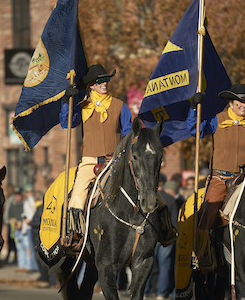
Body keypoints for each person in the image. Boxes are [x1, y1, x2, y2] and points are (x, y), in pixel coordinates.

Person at [60, 64, 174, 246]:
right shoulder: (82, 106)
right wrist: (67, 101)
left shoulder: (120, 106)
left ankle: (166, 227)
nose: (104, 83)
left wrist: (125, 154)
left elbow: (129, 133)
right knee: (77, 196)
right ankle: (76, 234)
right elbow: (67, 123)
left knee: (155, 193)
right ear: (91, 85)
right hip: (90, 161)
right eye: (100, 81)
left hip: (115, 161)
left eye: (106, 80)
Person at [188, 84, 245, 269]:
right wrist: (194, 108)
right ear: (230, 103)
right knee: (209, 209)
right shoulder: (217, 120)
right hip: (220, 178)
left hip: (244, 179)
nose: (244, 105)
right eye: (240, 101)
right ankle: (200, 253)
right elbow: (196, 130)